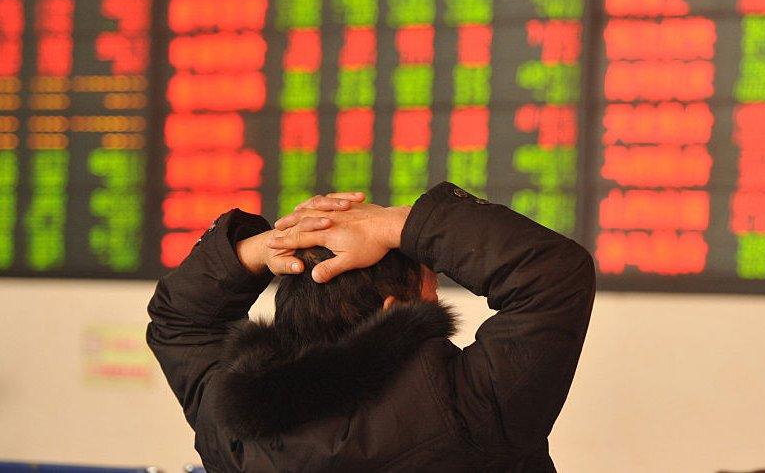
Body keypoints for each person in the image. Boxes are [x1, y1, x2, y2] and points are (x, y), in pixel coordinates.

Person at [147, 182, 595, 471]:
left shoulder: (233, 426)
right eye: (430, 294)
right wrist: (395, 224)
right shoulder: (472, 405)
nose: (435, 302)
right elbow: (553, 273)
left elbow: (179, 320)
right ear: (392, 312)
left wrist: (276, 242)